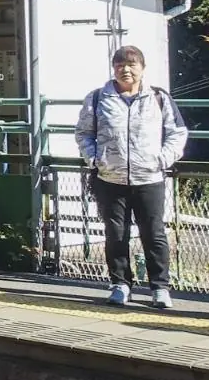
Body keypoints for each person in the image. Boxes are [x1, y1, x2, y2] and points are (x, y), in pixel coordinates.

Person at [75, 46, 188, 308]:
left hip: (149, 177)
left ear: (142, 68)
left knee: (154, 233)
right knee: (116, 233)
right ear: (113, 68)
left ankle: (159, 287)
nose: (125, 70)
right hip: (110, 178)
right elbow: (83, 133)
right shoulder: (97, 98)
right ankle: (120, 284)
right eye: (119, 65)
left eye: (132, 65)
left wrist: (163, 159)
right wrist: (94, 159)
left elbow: (177, 132)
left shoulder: (158, 97)